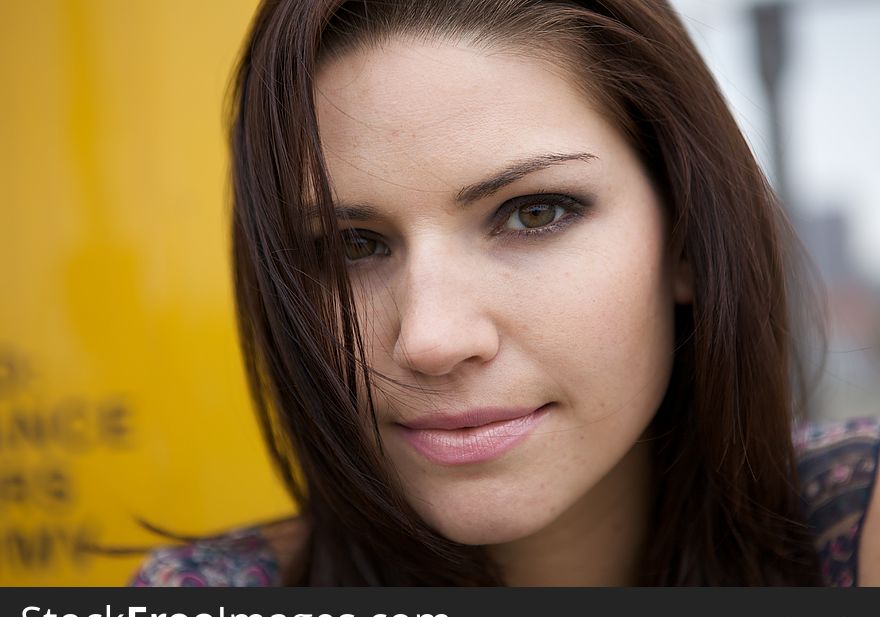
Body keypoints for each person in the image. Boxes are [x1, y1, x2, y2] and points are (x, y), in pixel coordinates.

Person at [132, 0, 880, 587]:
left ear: (685, 231)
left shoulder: (855, 527)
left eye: (534, 212)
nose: (430, 337)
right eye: (349, 245)